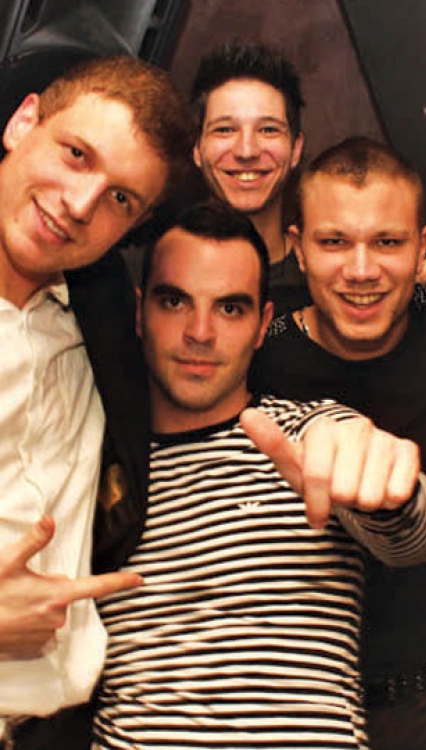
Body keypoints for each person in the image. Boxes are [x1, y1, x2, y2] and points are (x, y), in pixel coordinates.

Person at [91, 201, 426, 750]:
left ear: (262, 326)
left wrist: (390, 496)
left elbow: (419, 538)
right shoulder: (93, 462)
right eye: (175, 301)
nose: (200, 332)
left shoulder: (311, 433)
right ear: (139, 313)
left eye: (231, 309)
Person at [251, 136, 426, 750]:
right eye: (334, 242)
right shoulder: (253, 351)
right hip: (285, 703)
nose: (361, 270)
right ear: (297, 247)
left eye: (387, 242)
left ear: (421, 246)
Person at [0, 55, 192, 749]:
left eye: (120, 199)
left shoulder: (103, 314)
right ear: (23, 121)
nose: (81, 203)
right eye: (76, 154)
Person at [190, 40, 311, 315]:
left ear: (296, 149)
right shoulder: (153, 269)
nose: (247, 151)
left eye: (268, 130)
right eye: (225, 130)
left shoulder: (323, 282)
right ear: (197, 148)